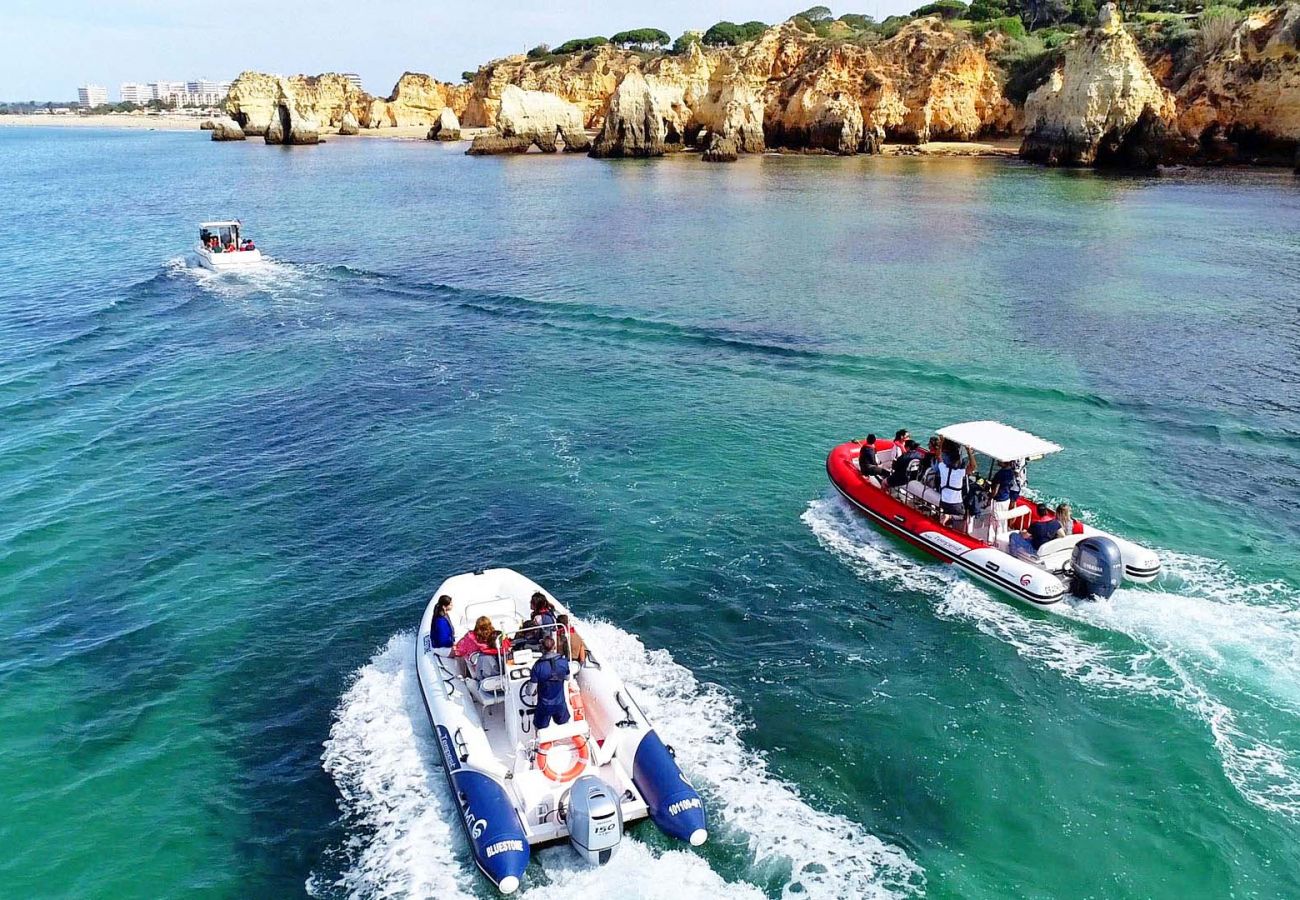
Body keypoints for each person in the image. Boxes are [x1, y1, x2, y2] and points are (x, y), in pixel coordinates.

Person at [529, 636, 572, 729]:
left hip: (544, 706)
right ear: (554, 647)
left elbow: (530, 692)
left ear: (542, 648)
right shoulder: (564, 662)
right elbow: (567, 678)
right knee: (564, 726)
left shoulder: (537, 666)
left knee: (540, 728)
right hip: (560, 704)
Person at [936, 439, 974, 528]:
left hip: (944, 503)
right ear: (958, 462)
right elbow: (973, 466)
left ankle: (946, 518)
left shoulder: (943, 468)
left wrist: (941, 442)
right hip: (956, 505)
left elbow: (938, 456)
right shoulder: (959, 473)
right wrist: (969, 452)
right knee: (967, 510)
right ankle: (962, 528)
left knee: (949, 511)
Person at [988, 459, 1018, 542]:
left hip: (998, 500)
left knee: (994, 519)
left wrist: (989, 498)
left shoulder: (1000, 474)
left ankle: (993, 539)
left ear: (1005, 462)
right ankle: (1003, 535)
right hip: (1006, 499)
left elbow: (995, 490)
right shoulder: (1012, 472)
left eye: (1000, 460)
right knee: (1003, 519)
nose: (998, 461)